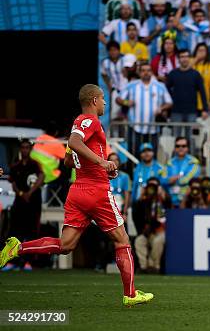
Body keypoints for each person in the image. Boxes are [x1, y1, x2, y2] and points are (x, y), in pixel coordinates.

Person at [0, 84, 154, 306]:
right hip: (96, 191)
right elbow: (73, 142)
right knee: (122, 240)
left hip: (78, 190)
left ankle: (18, 248)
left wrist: (99, 167)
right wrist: (102, 162)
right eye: (102, 99)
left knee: (66, 245)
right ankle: (130, 295)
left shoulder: (82, 123)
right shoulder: (89, 121)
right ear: (93, 100)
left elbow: (69, 160)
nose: (105, 103)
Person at [3, 140, 44, 272]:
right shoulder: (16, 166)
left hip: (33, 202)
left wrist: (30, 192)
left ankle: (28, 262)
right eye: (23, 148)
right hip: (19, 203)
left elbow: (41, 177)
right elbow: (13, 182)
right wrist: (21, 193)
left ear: (30, 149)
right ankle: (12, 261)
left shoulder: (35, 165)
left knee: (32, 233)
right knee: (15, 232)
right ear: (20, 149)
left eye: (27, 147)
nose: (25, 150)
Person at [119, 63, 173, 154]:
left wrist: (162, 108)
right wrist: (126, 102)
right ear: (139, 73)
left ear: (151, 72)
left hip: (153, 128)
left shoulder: (160, 86)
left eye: (148, 70)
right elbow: (119, 99)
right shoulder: (131, 85)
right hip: (135, 127)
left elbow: (169, 102)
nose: (146, 73)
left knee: (152, 154)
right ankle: (135, 169)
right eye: (143, 71)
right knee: (134, 153)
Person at [133, 176, 171, 273]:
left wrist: (162, 194)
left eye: (154, 186)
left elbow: (169, 207)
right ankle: (144, 266)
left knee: (158, 241)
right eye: (150, 186)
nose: (152, 188)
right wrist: (141, 198)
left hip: (160, 231)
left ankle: (155, 266)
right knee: (139, 241)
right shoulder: (143, 201)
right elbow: (136, 216)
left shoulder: (162, 200)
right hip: (147, 232)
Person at [166, 49, 208, 122]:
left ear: (189, 58)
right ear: (178, 59)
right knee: (176, 133)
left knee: (190, 133)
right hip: (176, 111)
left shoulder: (196, 74)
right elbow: (166, 90)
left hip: (192, 111)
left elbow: (202, 92)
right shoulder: (173, 74)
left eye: (186, 56)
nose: (184, 59)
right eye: (182, 57)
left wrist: (205, 109)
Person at [164, 136, 200, 206]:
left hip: (187, 198)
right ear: (175, 148)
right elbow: (163, 180)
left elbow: (189, 179)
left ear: (187, 148)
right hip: (170, 196)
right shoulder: (169, 162)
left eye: (183, 146)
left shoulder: (193, 162)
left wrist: (174, 179)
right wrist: (168, 181)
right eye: (178, 146)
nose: (180, 148)